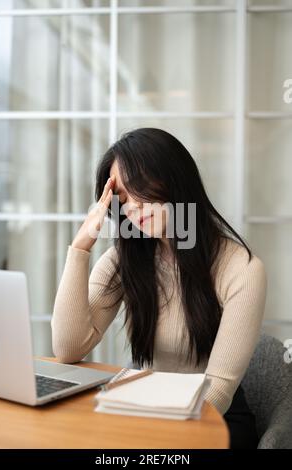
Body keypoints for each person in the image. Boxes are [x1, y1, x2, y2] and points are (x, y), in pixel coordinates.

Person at [51, 128, 267, 448]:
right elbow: (68, 348)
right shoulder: (127, 258)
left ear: (175, 181)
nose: (133, 207)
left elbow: (219, 388)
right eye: (122, 197)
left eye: (141, 188)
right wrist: (81, 246)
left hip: (213, 419)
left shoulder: (241, 268)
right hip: (147, 409)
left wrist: (156, 438)